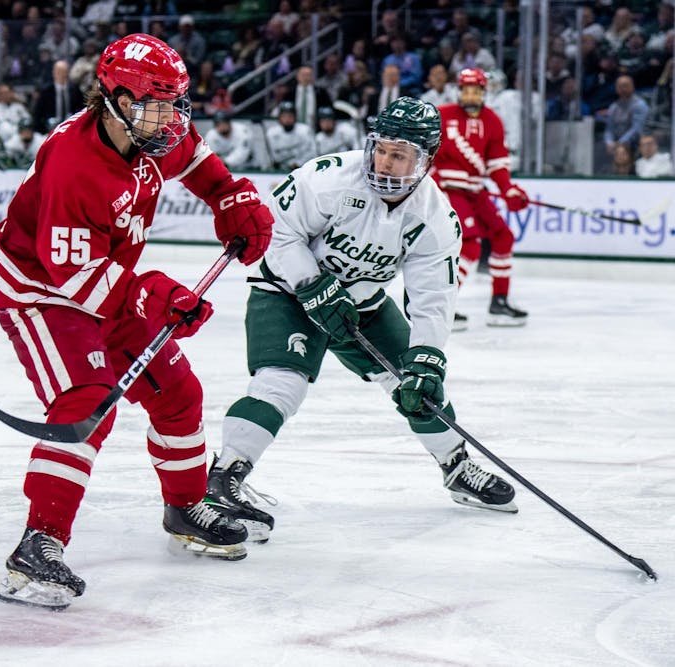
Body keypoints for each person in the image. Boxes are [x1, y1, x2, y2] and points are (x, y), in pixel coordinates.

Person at [0, 33, 274, 609]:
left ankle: (186, 506)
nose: (170, 118)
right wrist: (152, 294)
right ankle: (37, 545)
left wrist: (229, 197)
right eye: (156, 103)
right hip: (43, 295)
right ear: (115, 97)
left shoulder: (149, 130)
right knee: (86, 401)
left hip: (108, 286)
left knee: (176, 391)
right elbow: (76, 280)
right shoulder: (73, 163)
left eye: (175, 103)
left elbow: (195, 158)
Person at [204, 97, 517, 543]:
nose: (386, 163)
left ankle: (456, 465)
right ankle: (222, 479)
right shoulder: (329, 177)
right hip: (289, 293)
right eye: (382, 149)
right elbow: (275, 228)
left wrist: (427, 356)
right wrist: (312, 284)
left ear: (426, 160)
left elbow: (433, 296)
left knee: (419, 384)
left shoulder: (436, 219)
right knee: (283, 382)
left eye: (400, 154)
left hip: (362, 305)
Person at [431, 68, 529, 330]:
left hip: (475, 191)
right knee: (470, 245)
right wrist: (433, 180)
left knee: (503, 236)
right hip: (449, 191)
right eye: (466, 90)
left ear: (484, 93)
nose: (471, 95)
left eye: (476, 91)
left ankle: (499, 302)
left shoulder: (492, 121)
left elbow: (497, 164)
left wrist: (509, 189)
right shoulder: (443, 115)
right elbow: (427, 154)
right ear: (459, 91)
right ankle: (442, 307)